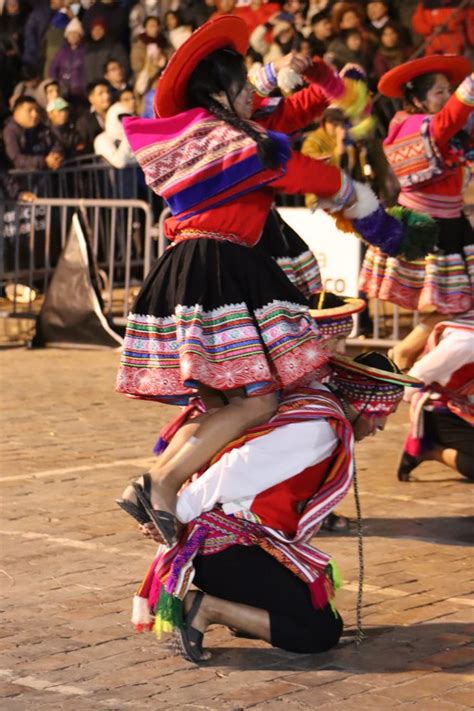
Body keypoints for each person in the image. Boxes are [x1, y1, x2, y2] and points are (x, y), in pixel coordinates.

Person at [115, 16, 362, 547]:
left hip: (194, 268)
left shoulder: (198, 136)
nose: (252, 95)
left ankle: (159, 488)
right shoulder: (225, 139)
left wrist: (308, 84)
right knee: (261, 402)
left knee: (225, 403)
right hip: (220, 269)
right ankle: (163, 483)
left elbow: (281, 124)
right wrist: (352, 195)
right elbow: (290, 167)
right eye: (243, 86)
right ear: (223, 91)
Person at [132, 352, 419, 662]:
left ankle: (242, 610)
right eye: (382, 414)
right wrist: (173, 517)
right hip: (220, 548)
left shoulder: (317, 403)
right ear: (363, 404)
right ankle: (206, 608)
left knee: (310, 607)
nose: (382, 427)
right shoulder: (317, 429)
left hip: (231, 542)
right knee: (318, 632)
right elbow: (232, 470)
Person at [359, 56, 474, 371]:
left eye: (448, 90)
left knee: (450, 303)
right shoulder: (412, 126)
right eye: (439, 92)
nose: (447, 97)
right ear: (417, 99)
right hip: (427, 226)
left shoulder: (454, 134)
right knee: (451, 303)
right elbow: (449, 119)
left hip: (453, 225)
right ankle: (408, 356)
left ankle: (412, 357)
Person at [398, 310, 474, 481]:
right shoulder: (464, 342)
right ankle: (429, 449)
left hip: (464, 404)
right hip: (439, 407)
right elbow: (420, 374)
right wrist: (403, 396)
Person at [3, 96, 63, 172]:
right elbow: (16, 159)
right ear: (17, 111)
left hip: (46, 179)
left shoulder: (42, 128)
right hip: (22, 181)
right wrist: (44, 161)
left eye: (37, 110)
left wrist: (55, 155)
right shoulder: (10, 132)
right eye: (30, 110)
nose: (35, 114)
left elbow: (56, 143)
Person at [49, 17, 87, 104]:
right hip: (64, 91)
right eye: (70, 34)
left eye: (75, 34)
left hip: (80, 92)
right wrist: (57, 84)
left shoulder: (85, 51)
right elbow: (53, 68)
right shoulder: (62, 51)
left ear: (80, 36)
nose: (73, 36)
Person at [83, 16, 129, 86]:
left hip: (110, 88)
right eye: (94, 29)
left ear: (104, 30)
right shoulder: (87, 49)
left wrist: (118, 84)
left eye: (100, 29)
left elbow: (124, 66)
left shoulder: (114, 46)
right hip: (92, 89)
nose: (97, 31)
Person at [93, 101, 135, 168]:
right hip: (112, 178)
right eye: (121, 118)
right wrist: (128, 136)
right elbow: (120, 162)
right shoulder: (102, 139)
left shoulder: (132, 137)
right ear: (111, 117)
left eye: (127, 117)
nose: (125, 121)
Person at [76, 80, 111, 154]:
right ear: (91, 98)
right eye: (100, 93)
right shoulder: (84, 122)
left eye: (107, 92)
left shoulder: (118, 113)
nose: (106, 96)